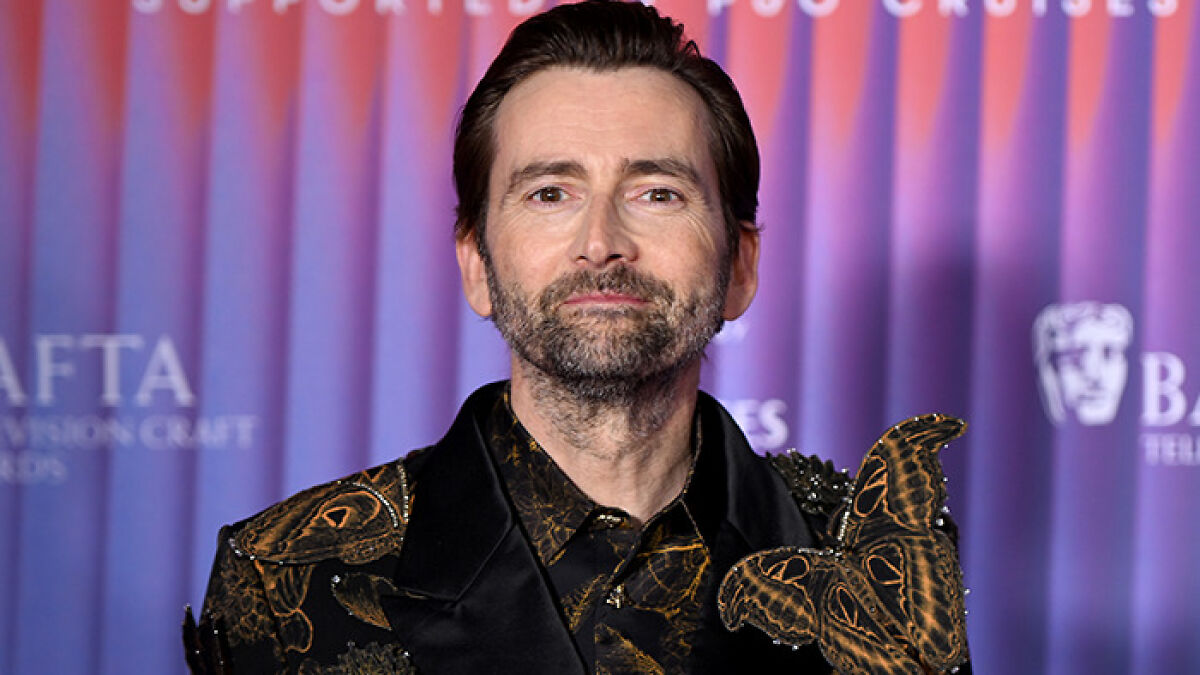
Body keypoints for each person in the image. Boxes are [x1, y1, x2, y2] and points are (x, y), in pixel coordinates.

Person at [185, 2, 970, 673]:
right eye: (550, 192)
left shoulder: (876, 561)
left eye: (657, 192)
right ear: (477, 264)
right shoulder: (289, 573)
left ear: (741, 264)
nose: (601, 241)